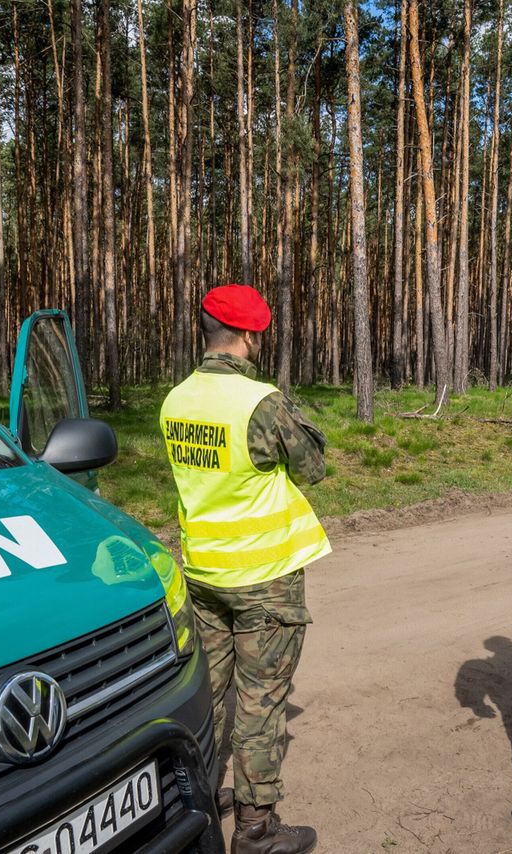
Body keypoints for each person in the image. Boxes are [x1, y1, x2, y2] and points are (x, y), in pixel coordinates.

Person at [160, 284, 329, 854]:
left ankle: (199, 796)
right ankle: (256, 829)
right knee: (260, 700)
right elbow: (313, 468)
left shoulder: (175, 400)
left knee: (208, 693)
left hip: (203, 573)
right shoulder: (262, 402)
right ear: (249, 335)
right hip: (264, 578)